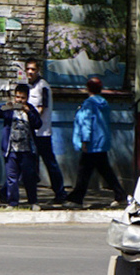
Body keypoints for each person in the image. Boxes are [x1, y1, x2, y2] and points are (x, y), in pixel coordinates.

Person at [67, 76, 126, 207]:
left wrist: (84, 140)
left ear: (88, 88)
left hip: (91, 144)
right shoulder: (104, 103)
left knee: (84, 172)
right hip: (101, 142)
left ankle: (76, 199)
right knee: (104, 170)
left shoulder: (89, 103)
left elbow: (87, 123)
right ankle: (120, 194)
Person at [0, 83, 43, 206]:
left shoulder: (31, 109)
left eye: (22, 98)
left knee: (29, 177)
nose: (19, 100)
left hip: (27, 150)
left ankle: (33, 202)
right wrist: (5, 107)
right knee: (11, 178)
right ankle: (12, 202)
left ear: (27, 98)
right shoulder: (9, 110)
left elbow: (38, 123)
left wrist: (29, 112)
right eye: (17, 97)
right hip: (11, 149)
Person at [22, 58, 67, 204]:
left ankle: (60, 192)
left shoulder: (43, 87)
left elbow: (41, 109)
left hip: (41, 132)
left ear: (38, 70)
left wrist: (29, 119)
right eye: (28, 69)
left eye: (33, 69)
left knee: (49, 162)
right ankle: (7, 191)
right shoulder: (28, 87)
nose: (30, 72)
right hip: (30, 132)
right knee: (24, 161)